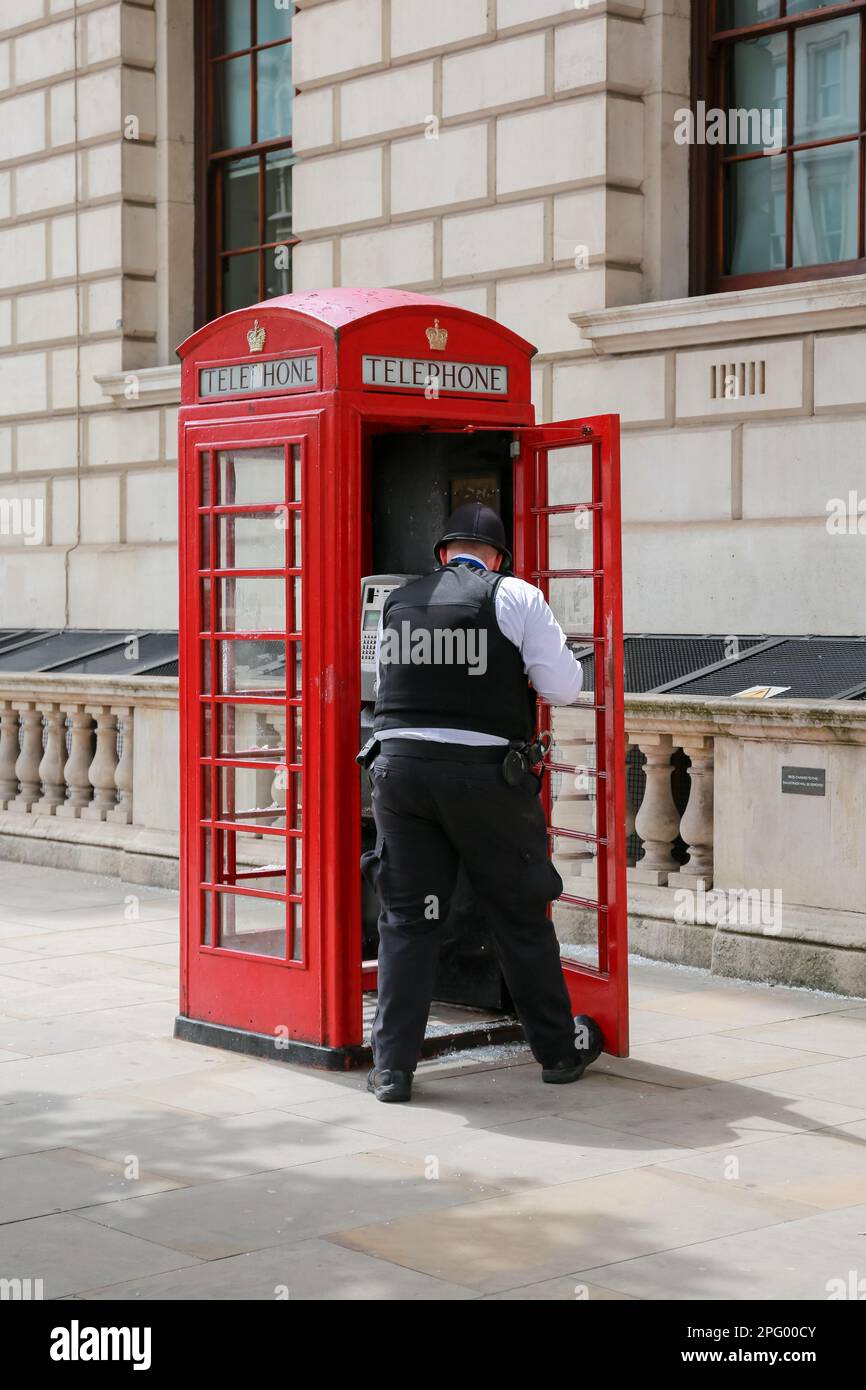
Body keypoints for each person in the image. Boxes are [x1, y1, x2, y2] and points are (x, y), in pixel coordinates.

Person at [360, 501, 603, 1103]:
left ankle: (392, 1069)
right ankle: (556, 1051)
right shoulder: (515, 597)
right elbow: (564, 688)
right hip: (482, 777)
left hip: (398, 771)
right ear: (497, 557)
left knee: (409, 921)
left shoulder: (398, 600)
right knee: (519, 913)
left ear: (443, 553)